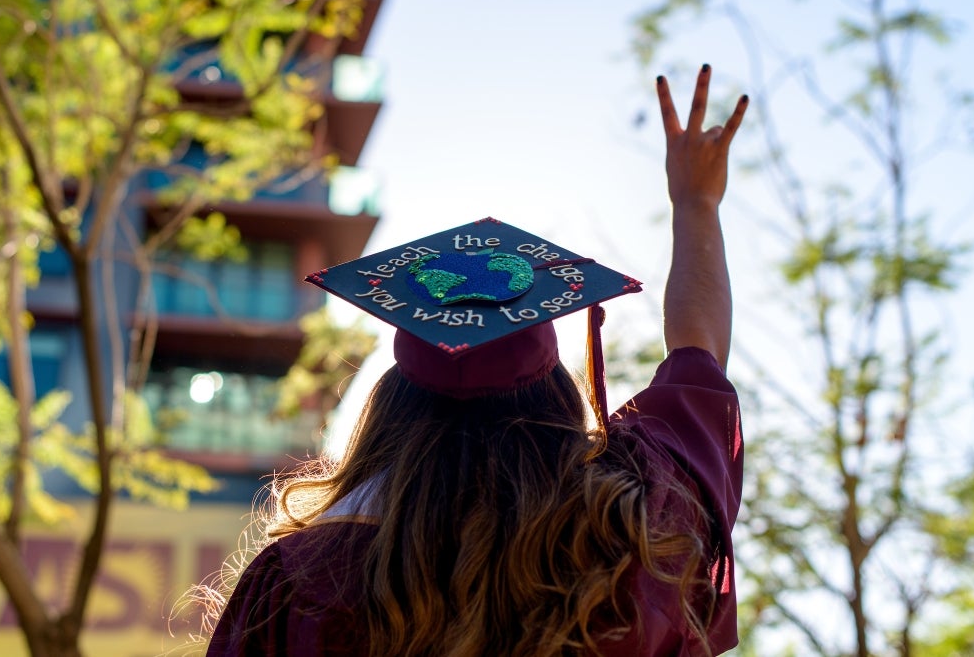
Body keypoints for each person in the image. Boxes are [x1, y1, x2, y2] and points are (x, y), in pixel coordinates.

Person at [206, 65, 747, 656]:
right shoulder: (633, 534)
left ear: (391, 406)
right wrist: (696, 203)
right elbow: (697, 355)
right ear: (556, 396)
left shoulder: (297, 580)